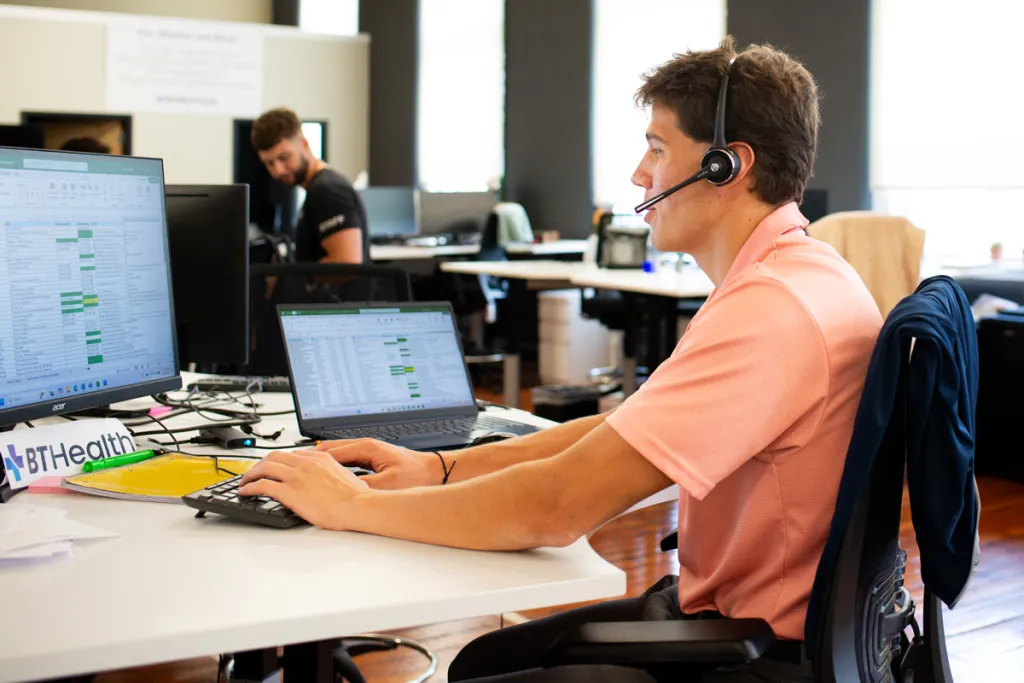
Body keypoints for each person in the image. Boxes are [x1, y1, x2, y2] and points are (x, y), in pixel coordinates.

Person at [239, 37, 884, 682]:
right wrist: (437, 468)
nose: (639, 174)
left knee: (479, 672)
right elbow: (615, 431)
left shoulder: (770, 314)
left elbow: (553, 508)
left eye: (657, 150)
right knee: (485, 658)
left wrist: (349, 505)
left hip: (758, 654)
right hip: (761, 626)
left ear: (724, 166)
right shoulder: (800, 274)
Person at [250, 107, 369, 264]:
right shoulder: (318, 187)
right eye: (269, 163)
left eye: (284, 157)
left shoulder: (327, 190)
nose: (278, 170)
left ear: (304, 144)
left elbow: (346, 263)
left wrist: (293, 278)